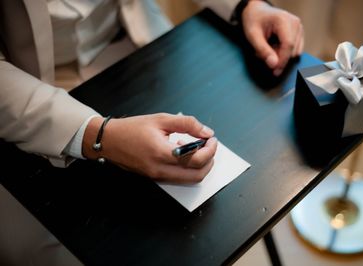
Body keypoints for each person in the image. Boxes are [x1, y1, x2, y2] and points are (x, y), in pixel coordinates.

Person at [0, 0, 303, 265]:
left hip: (143, 41)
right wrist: (100, 136)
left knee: (222, 223)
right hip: (31, 88)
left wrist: (246, 4)